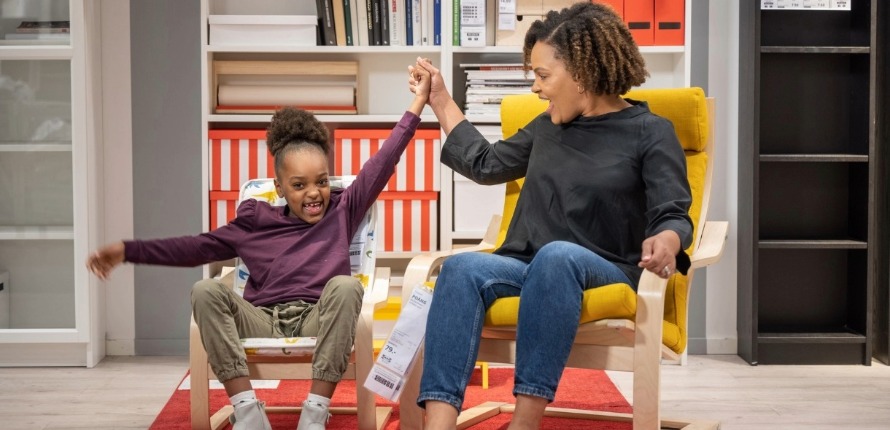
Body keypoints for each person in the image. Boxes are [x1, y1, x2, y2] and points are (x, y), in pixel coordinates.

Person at [86, 59, 431, 430]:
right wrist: (126, 251)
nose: (314, 193)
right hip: (262, 319)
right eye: (299, 185)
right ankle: (248, 412)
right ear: (279, 188)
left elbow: (385, 159)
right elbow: (192, 248)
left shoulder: (343, 206)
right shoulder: (254, 220)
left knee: (347, 286)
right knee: (204, 290)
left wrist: (419, 103)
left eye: (320, 181)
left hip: (318, 316)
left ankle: (315, 413)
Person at [408, 3, 694, 429]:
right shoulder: (548, 127)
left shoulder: (650, 132)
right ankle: (438, 424)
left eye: (542, 76)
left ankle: (525, 423)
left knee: (558, 256)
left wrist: (668, 240)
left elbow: (673, 212)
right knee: (461, 268)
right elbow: (486, 164)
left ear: (581, 73)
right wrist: (441, 100)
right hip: (529, 266)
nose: (536, 89)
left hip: (604, 268)